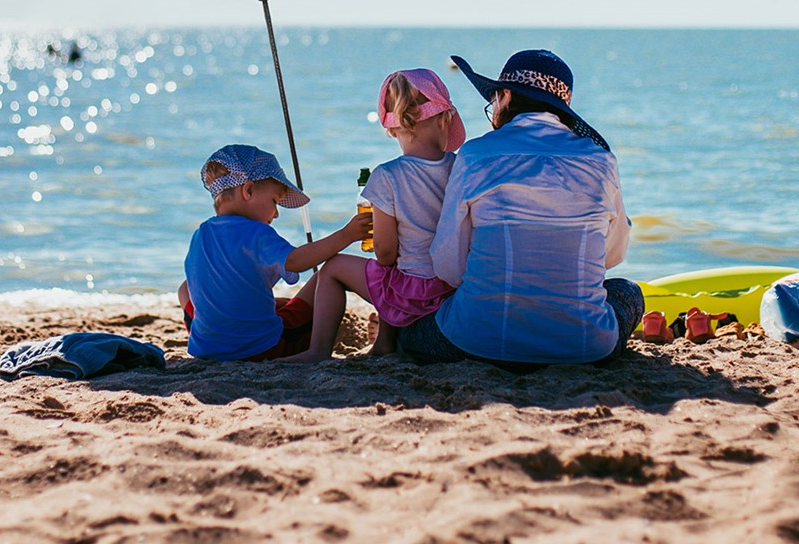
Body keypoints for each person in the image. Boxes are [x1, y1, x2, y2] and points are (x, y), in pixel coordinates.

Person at [399, 49, 643, 369]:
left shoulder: (476, 155)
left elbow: (448, 264)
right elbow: (612, 256)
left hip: (480, 342)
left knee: (410, 333)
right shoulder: (601, 161)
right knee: (628, 291)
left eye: (494, 100)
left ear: (506, 96)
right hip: (582, 347)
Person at [292, 69, 464, 361]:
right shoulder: (461, 168)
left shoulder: (387, 176)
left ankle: (318, 350)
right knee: (394, 269)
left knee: (334, 268)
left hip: (415, 293)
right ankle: (384, 343)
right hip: (454, 289)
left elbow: (384, 253)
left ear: (393, 129)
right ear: (444, 119)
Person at [179, 144, 372, 361]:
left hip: (208, 348)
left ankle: (215, 339)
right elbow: (296, 261)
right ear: (248, 190)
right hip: (261, 347)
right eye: (275, 201)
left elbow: (236, 285)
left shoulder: (200, 234)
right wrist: (347, 235)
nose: (277, 214)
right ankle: (318, 351)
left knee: (185, 288)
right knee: (326, 274)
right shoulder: (255, 232)